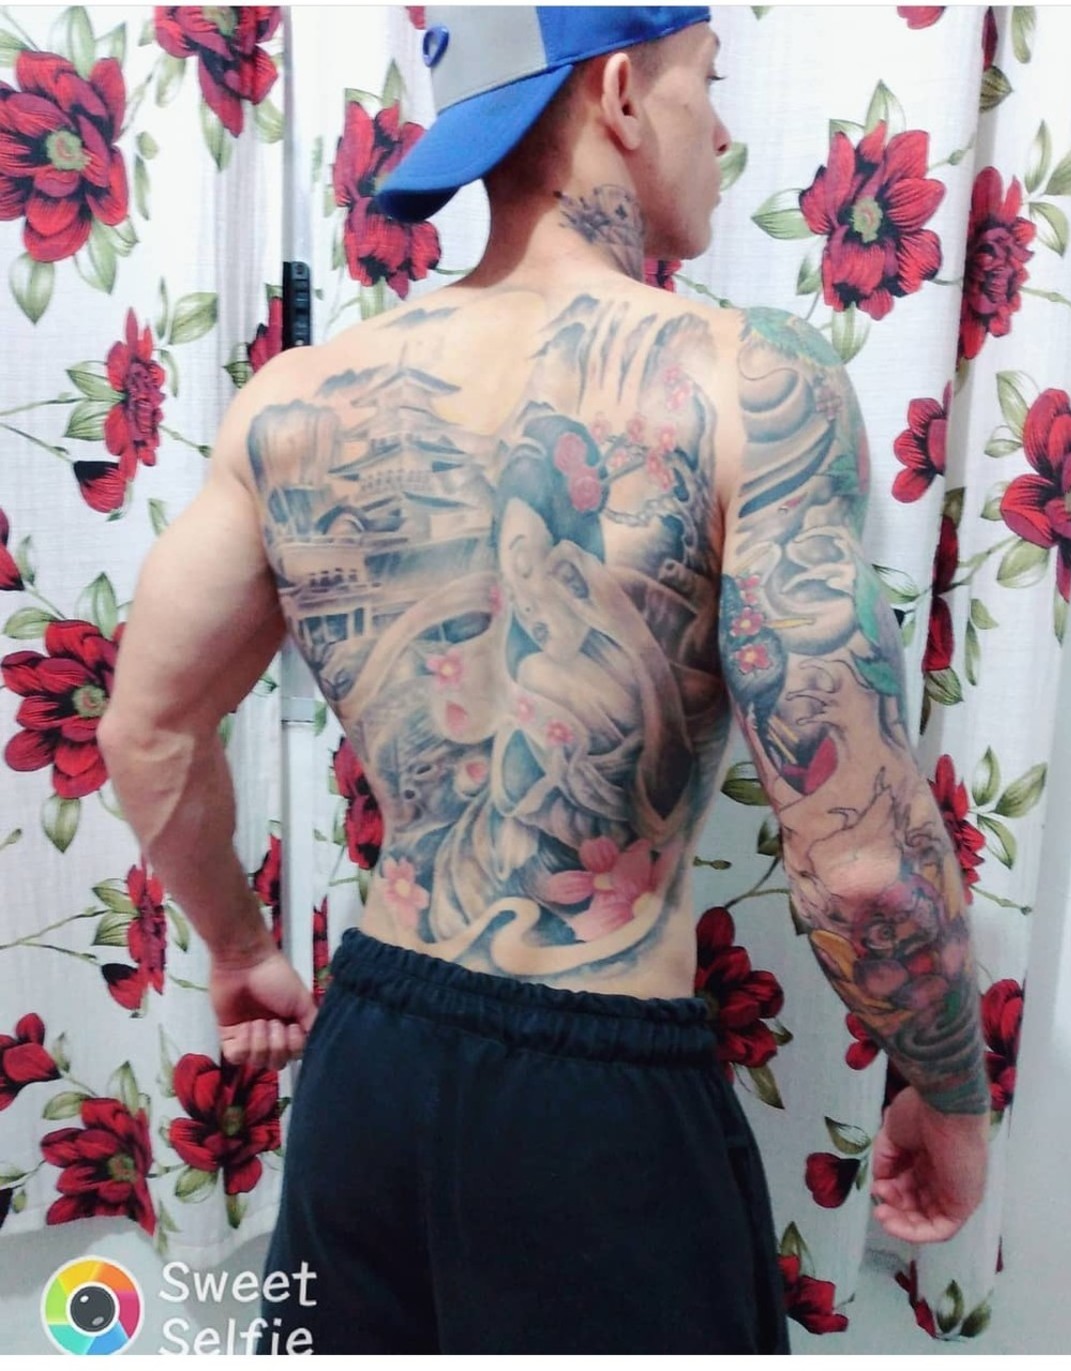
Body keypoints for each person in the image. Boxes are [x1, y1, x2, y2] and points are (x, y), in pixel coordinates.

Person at [98, 5, 992, 1354]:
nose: (722, 133)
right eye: (707, 86)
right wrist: (950, 1088)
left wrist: (236, 949)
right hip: (597, 1114)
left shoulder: (294, 401)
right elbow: (862, 861)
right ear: (622, 91)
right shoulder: (753, 386)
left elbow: (148, 735)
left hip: (369, 1062)